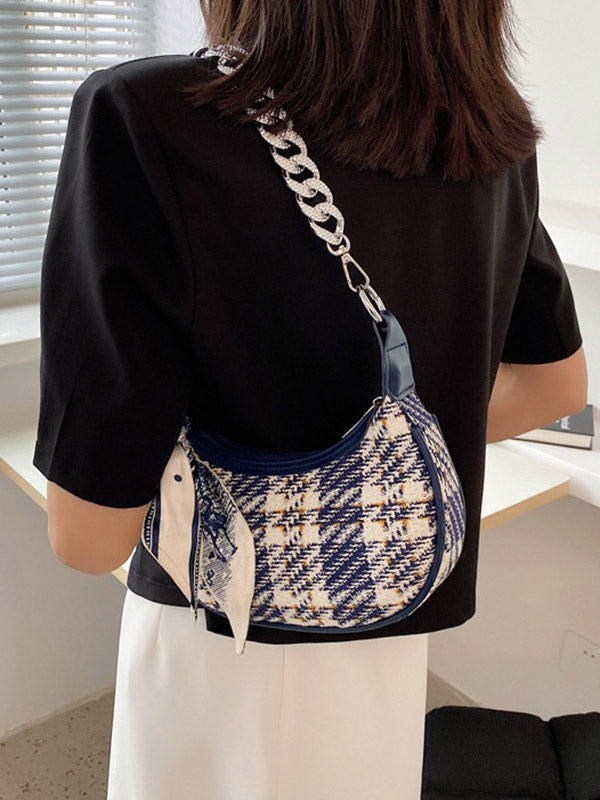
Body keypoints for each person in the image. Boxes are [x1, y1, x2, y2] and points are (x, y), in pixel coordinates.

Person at [33, 1, 587, 798]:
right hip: (394, 607)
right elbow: (553, 387)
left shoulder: (147, 113)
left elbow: (87, 538)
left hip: (219, 637)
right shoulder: (488, 135)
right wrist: (389, 459)